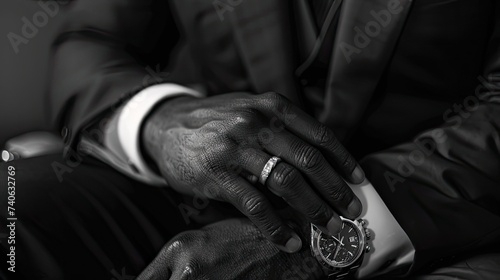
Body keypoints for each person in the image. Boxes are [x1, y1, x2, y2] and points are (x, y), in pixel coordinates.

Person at [1, 0, 500, 279]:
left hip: (412, 200)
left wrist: (316, 244)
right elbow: (90, 36)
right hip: (185, 185)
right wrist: (161, 124)